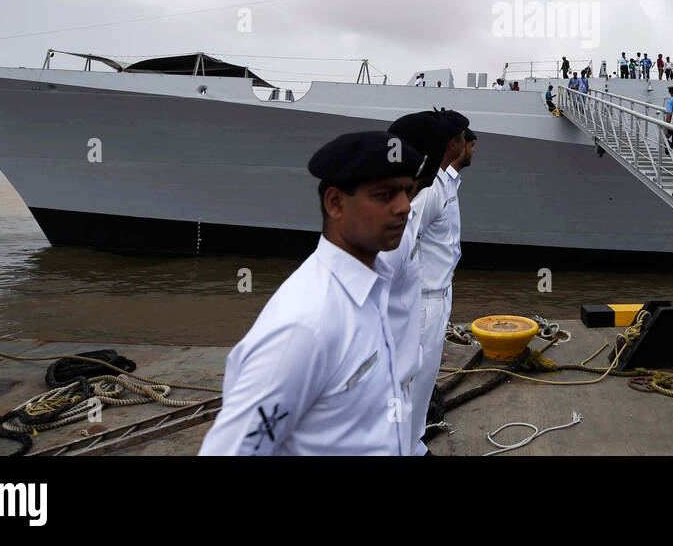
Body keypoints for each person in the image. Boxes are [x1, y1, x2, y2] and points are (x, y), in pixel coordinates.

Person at [199, 130, 425, 455]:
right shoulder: (305, 325)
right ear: (335, 203)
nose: (404, 206)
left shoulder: (370, 286)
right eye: (384, 194)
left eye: (407, 191)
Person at [411, 111, 472, 455]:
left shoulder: (447, 184)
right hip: (424, 301)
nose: (468, 145)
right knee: (414, 381)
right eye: (464, 138)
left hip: (440, 296)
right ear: (453, 143)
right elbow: (401, 241)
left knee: (425, 380)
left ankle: (413, 443)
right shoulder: (432, 191)